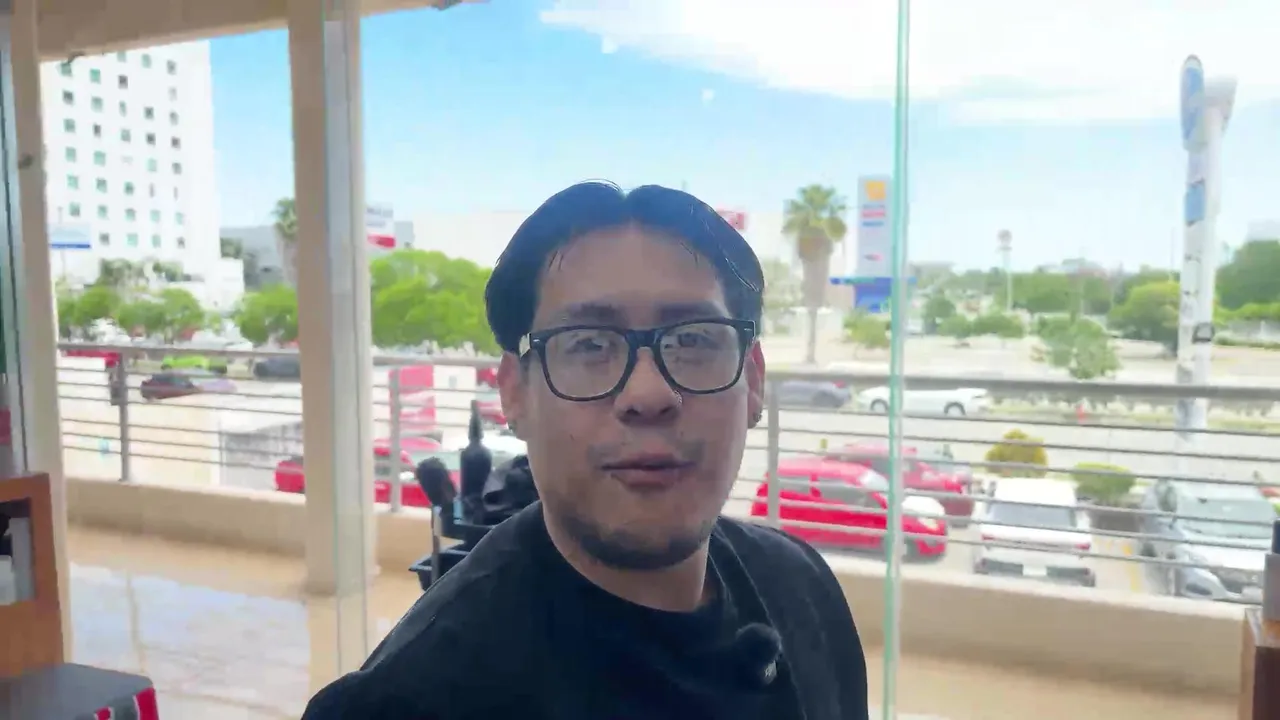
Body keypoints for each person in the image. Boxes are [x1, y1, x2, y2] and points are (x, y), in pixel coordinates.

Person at [302, 181, 868, 719]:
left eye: (693, 339)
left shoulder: (801, 587)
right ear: (514, 393)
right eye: (590, 344)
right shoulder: (406, 702)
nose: (648, 394)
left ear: (754, 380)